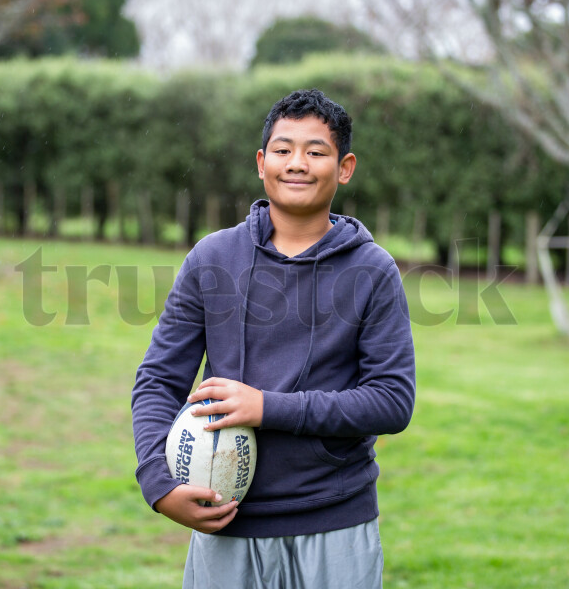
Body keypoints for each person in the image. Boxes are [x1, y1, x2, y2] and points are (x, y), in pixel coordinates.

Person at [131, 89, 416, 588]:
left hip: (335, 521)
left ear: (344, 167)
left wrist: (267, 407)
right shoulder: (212, 259)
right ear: (262, 163)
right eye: (283, 150)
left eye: (316, 151)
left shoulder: (373, 271)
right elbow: (158, 379)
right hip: (225, 519)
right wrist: (158, 482)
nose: (297, 164)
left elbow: (392, 401)